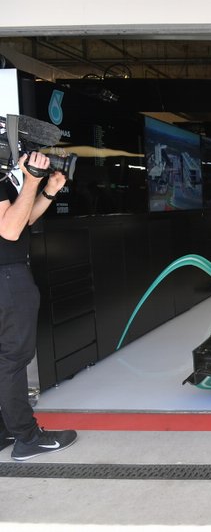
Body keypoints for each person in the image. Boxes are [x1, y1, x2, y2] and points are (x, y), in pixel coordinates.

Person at [0, 152, 78, 461]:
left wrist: (47, 190)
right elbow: (9, 230)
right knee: (12, 360)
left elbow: (24, 218)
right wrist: (32, 179)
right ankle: (26, 437)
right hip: (7, 277)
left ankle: (6, 428)